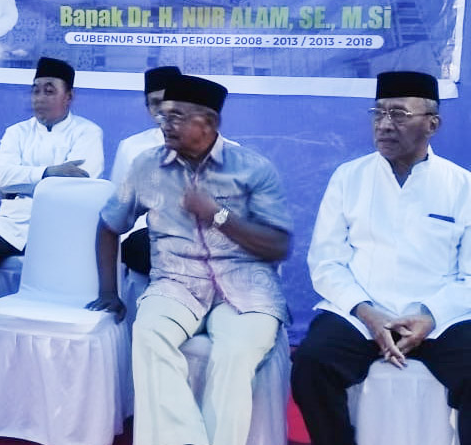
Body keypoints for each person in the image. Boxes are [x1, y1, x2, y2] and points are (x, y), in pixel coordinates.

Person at [89, 74, 292, 445]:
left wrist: (219, 215)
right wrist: (108, 290)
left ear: (209, 123)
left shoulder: (252, 168)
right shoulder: (146, 167)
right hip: (176, 283)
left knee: (234, 354)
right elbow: (108, 225)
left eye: (177, 117)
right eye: (164, 115)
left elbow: (278, 243)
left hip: (246, 289)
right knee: (149, 333)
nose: (165, 125)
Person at [291, 71, 471, 445]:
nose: (385, 125)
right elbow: (325, 261)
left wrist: (430, 316)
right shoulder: (349, 177)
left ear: (432, 124)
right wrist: (367, 312)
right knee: (312, 365)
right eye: (379, 113)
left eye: (400, 114)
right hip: (362, 313)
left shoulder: (462, 186)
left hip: (438, 317)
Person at [0, 56, 104, 335]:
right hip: (11, 223)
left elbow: (83, 179)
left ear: (69, 97)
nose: (40, 97)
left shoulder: (88, 132)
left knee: (62, 295)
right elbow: (1, 177)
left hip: (60, 228)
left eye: (50, 90)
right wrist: (50, 173)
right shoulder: (16, 133)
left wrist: (25, 181)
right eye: (36, 90)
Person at [109, 65, 183, 278]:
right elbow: (119, 206)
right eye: (155, 103)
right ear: (148, 108)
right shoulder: (132, 147)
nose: (164, 110)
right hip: (143, 232)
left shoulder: (221, 149)